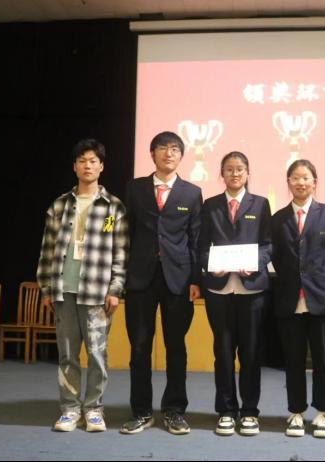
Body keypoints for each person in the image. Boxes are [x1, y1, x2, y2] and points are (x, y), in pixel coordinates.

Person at [36, 138, 128, 432]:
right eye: (82, 161)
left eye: (93, 161)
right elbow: (47, 250)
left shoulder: (113, 207)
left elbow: (120, 252)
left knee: (98, 356)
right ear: (74, 167)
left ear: (101, 167)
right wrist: (47, 288)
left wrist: (115, 289)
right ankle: (70, 409)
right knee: (67, 355)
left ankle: (94, 409)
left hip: (97, 293)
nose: (87, 166)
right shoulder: (59, 205)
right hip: (64, 290)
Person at [120, 131, 202, 436]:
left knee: (176, 347)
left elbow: (195, 239)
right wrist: (121, 273)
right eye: (163, 148)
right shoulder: (135, 188)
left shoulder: (191, 193)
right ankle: (141, 411)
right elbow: (122, 229)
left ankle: (175, 410)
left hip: (178, 280)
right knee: (139, 347)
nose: (169, 153)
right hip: (140, 278)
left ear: (181, 155)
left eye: (175, 149)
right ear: (152, 153)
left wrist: (196, 280)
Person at [199, 151, 272, 436]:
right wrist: (210, 264)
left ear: (247, 173)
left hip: (251, 289)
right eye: (229, 169)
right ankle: (226, 411)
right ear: (222, 174)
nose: (234, 174)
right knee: (223, 351)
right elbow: (201, 244)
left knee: (251, 352)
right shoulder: (211, 205)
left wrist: (254, 264)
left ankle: (250, 411)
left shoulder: (261, 204)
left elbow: (268, 245)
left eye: (240, 169)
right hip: (219, 289)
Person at [271, 159, 325, 438]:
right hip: (289, 299)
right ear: (288, 182)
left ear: (315, 182)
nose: (300, 182)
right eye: (295, 178)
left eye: (306, 178)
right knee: (293, 361)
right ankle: (296, 413)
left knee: (324, 361)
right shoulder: (277, 218)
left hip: (323, 299)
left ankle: (323, 414)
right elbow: (276, 257)